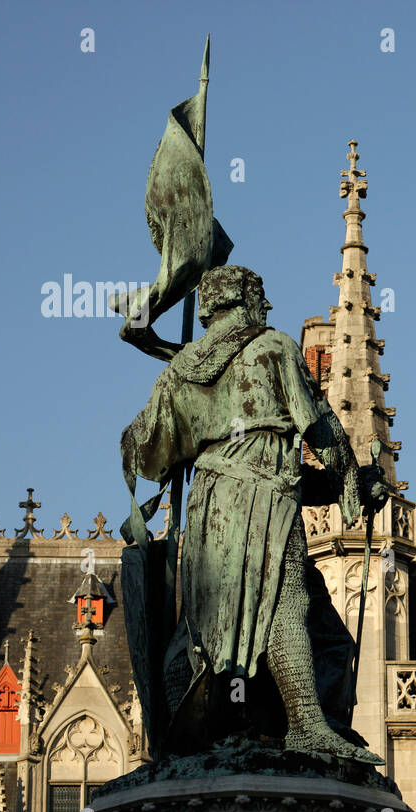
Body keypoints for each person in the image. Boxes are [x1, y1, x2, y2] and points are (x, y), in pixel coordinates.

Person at [121, 264, 388, 763]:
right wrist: (352, 483)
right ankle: (307, 724)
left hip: (210, 506)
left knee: (203, 625)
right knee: (285, 603)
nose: (266, 308)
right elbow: (322, 428)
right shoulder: (273, 347)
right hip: (263, 503)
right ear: (246, 301)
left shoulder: (181, 370)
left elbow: (144, 453)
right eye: (261, 299)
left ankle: (195, 738)